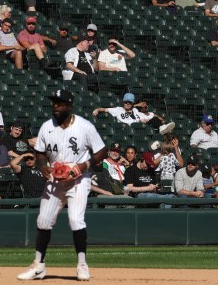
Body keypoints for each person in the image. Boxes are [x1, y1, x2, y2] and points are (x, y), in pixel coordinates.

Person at [17, 90, 107, 281]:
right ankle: (38, 266)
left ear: (69, 105)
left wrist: (85, 165)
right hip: (55, 181)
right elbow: (40, 153)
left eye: (60, 103)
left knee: (75, 220)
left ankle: (82, 265)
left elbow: (101, 151)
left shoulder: (85, 126)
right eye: (54, 102)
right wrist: (42, 166)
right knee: (43, 221)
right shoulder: (46, 127)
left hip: (79, 180)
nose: (56, 106)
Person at [92, 93, 175, 135]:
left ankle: (162, 129)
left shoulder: (135, 110)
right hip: (128, 129)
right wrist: (97, 109)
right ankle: (162, 130)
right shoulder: (118, 109)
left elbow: (142, 117)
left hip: (140, 128)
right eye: (126, 102)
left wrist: (143, 119)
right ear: (123, 102)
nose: (128, 103)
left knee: (154, 119)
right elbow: (106, 109)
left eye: (130, 102)